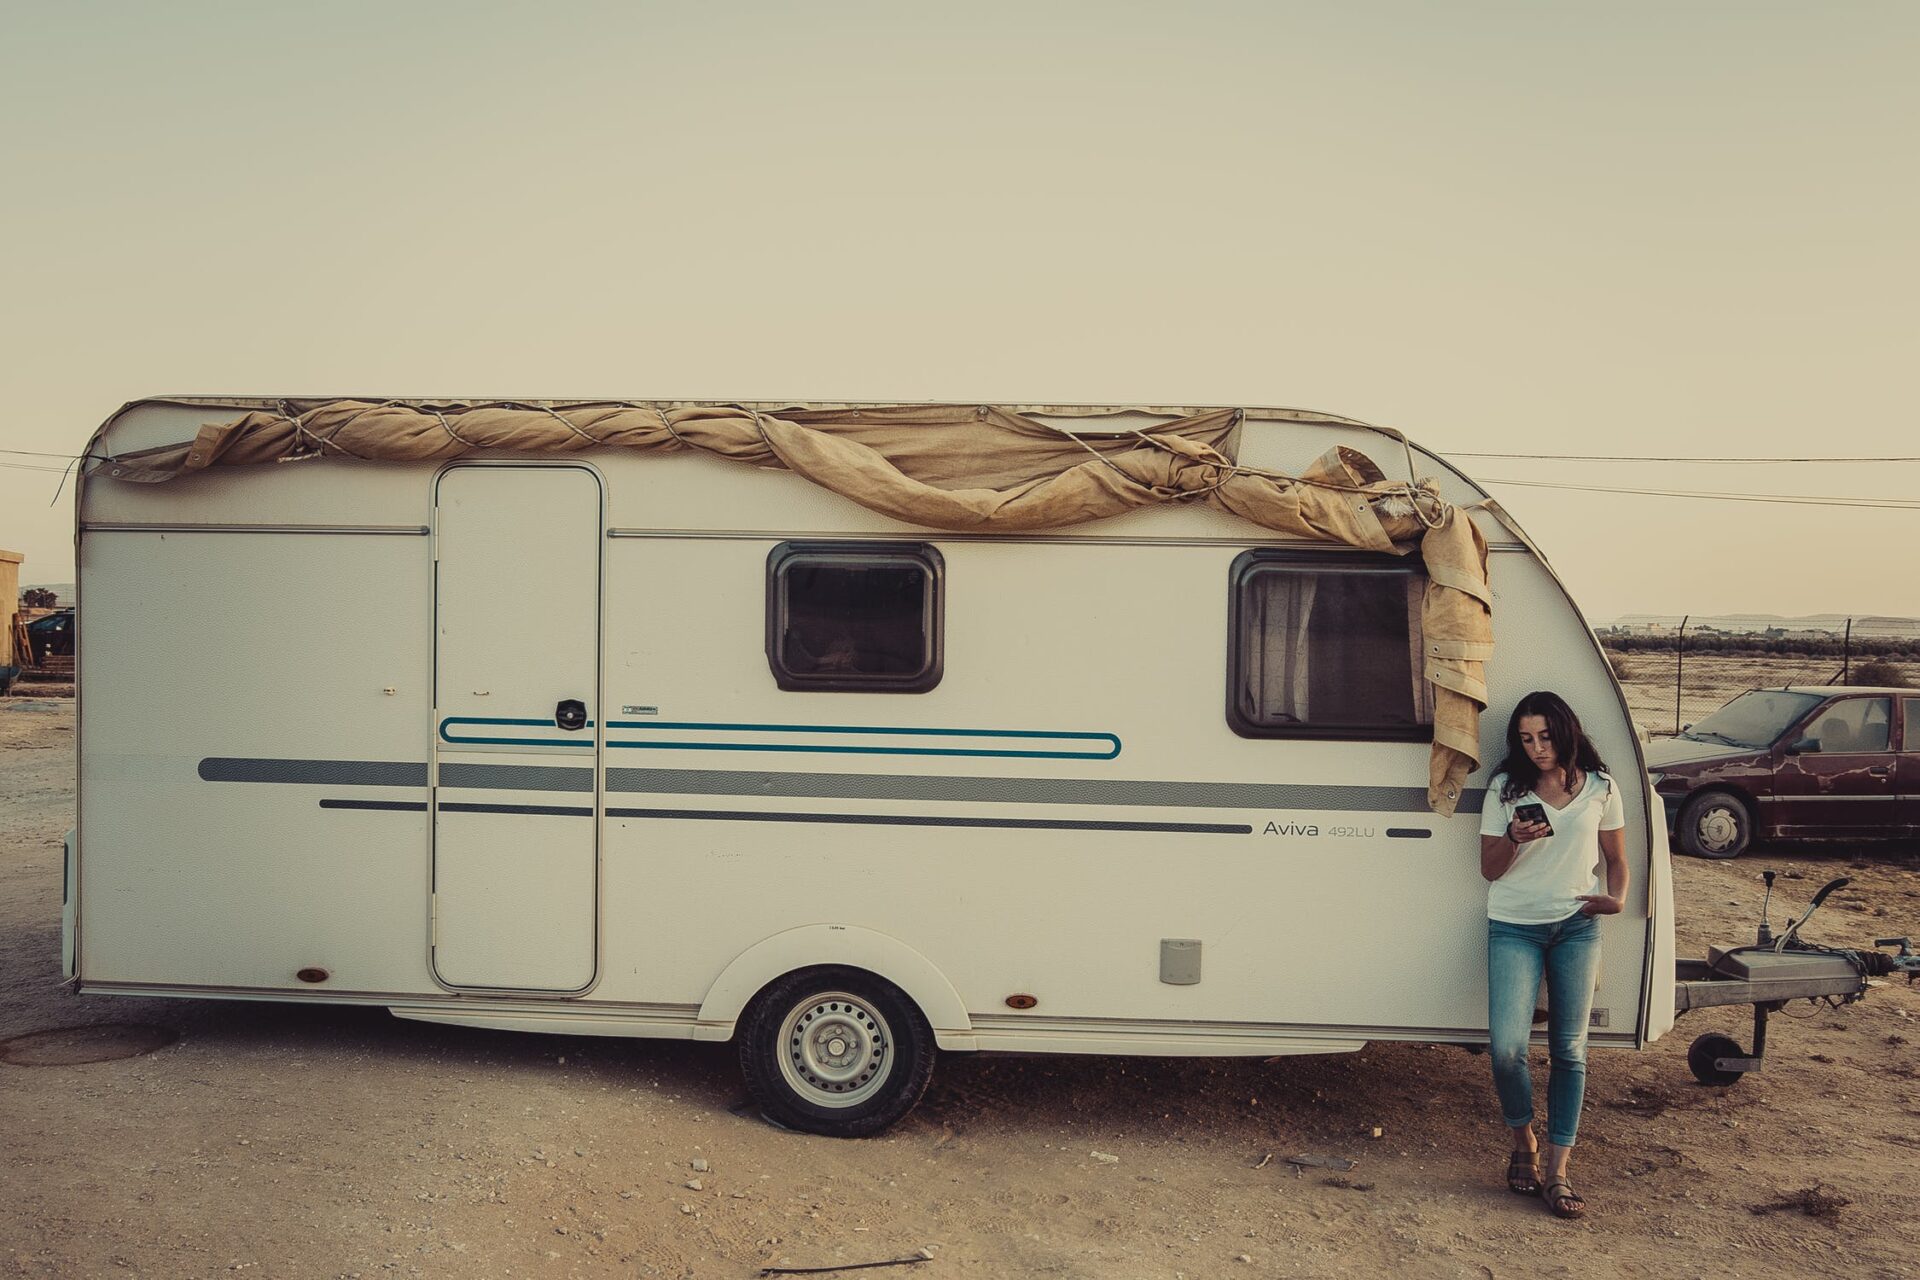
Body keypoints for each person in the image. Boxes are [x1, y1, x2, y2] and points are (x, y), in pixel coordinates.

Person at [1477, 690, 1629, 1219]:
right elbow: (1489, 870)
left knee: (1570, 1050)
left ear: (1565, 731)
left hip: (1577, 927)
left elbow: (1617, 859)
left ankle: (1559, 1170)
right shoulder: (1505, 788)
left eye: (1543, 736)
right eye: (1526, 739)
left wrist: (1618, 899)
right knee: (1506, 1049)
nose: (1537, 748)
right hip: (1514, 926)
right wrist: (1515, 838)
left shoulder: (1602, 788)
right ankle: (1525, 1143)